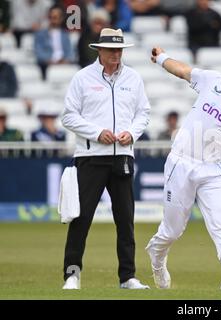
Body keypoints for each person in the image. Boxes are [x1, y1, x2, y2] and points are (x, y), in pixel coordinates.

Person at [145, 47, 221, 290]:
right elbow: (182, 71)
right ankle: (157, 257)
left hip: (212, 170)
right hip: (181, 161)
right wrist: (160, 58)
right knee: (172, 231)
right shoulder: (213, 81)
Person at [61, 28, 151, 290]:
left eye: (119, 50)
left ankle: (127, 277)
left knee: (125, 219)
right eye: (111, 50)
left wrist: (131, 134)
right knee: (81, 218)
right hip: (90, 156)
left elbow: (143, 114)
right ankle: (72, 275)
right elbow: (68, 116)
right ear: (99, 50)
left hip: (122, 156)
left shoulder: (133, 78)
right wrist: (97, 133)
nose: (116, 55)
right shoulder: (82, 78)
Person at [34, 5, 75, 80]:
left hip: (63, 63)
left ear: (61, 19)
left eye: (56, 18)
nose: (53, 20)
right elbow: (38, 52)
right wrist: (49, 60)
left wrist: (65, 60)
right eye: (51, 17)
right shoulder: (40, 34)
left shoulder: (65, 35)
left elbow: (70, 52)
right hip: (47, 65)